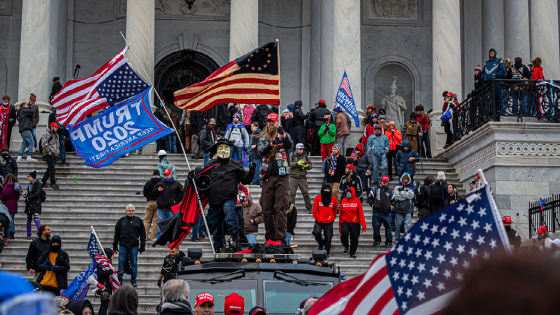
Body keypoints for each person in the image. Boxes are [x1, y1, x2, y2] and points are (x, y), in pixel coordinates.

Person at [204, 138, 254, 251]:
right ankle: (218, 246)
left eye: (226, 148)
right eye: (221, 148)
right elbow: (202, 180)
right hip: (214, 200)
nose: (223, 151)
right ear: (217, 151)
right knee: (215, 224)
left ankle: (236, 235)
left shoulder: (235, 164)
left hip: (229, 197)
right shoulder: (210, 165)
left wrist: (251, 172)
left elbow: (245, 180)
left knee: (229, 212)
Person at [256, 112, 293, 243]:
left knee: (281, 208)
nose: (271, 124)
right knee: (266, 209)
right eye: (269, 122)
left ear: (277, 123)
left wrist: (283, 136)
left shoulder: (284, 135)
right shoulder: (262, 138)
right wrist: (271, 144)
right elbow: (260, 151)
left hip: (282, 176)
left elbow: (290, 145)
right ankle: (270, 237)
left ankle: (280, 238)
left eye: (273, 121)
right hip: (267, 176)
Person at [113, 204, 146, 287]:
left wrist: (142, 245)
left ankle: (133, 280)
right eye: (129, 211)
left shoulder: (138, 220)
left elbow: (143, 233)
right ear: (126, 211)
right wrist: (115, 243)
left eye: (132, 211)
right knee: (121, 262)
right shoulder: (121, 220)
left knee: (134, 263)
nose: (131, 212)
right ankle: (119, 279)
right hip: (123, 245)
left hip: (134, 245)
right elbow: (116, 233)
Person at [154, 169, 183, 239]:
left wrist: (175, 201)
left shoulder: (177, 184)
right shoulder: (160, 183)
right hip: (161, 208)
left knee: (171, 223)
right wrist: (157, 190)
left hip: (171, 209)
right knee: (161, 223)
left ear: (171, 175)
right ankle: (159, 237)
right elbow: (153, 192)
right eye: (165, 175)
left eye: (167, 175)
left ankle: (170, 237)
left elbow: (182, 194)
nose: (166, 177)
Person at [339, 187, 366, 258]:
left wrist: (363, 225)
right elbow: (341, 213)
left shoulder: (357, 201)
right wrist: (340, 225)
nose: (348, 194)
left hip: (355, 222)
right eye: (347, 193)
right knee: (344, 232)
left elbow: (361, 213)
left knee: (354, 238)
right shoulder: (343, 200)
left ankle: (352, 253)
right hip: (345, 221)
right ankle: (346, 246)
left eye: (349, 193)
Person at [312, 184, 338, 257]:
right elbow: (314, 210)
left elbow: (335, 209)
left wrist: (332, 218)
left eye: (328, 189)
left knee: (328, 237)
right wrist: (318, 218)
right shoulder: (317, 198)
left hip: (329, 221)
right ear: (322, 189)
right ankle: (321, 243)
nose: (327, 191)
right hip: (319, 221)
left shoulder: (333, 199)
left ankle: (327, 252)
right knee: (316, 233)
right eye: (325, 189)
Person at [369, 176, 393, 247]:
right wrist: (372, 204)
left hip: (387, 213)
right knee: (376, 227)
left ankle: (388, 241)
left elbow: (394, 200)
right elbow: (370, 198)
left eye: (385, 182)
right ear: (381, 181)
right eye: (383, 181)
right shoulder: (375, 190)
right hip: (376, 212)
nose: (384, 183)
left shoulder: (390, 191)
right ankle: (377, 240)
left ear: (387, 182)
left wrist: (392, 206)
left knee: (388, 227)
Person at [289, 143, 313, 214]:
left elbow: (310, 166)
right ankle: (291, 208)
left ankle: (309, 208)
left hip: (303, 177)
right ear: (296, 149)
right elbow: (288, 164)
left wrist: (306, 165)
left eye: (302, 149)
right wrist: (297, 163)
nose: (301, 151)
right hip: (293, 177)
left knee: (305, 193)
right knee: (292, 193)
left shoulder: (306, 157)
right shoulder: (292, 156)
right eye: (299, 149)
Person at [392, 172, 415, 241]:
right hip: (398, 207)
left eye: (407, 179)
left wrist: (401, 192)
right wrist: (406, 196)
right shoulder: (397, 186)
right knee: (398, 224)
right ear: (402, 178)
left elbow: (411, 196)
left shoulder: (411, 186)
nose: (405, 180)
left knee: (408, 224)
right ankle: (397, 239)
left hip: (408, 207)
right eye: (404, 178)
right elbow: (397, 197)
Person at [39, 122, 60, 189]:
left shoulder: (56, 135)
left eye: (57, 127)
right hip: (49, 154)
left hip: (54, 154)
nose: (56, 129)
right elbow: (44, 143)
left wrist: (57, 153)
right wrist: (48, 152)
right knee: (52, 168)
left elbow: (57, 145)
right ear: (51, 127)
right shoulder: (47, 134)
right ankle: (52, 183)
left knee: (50, 168)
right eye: (55, 127)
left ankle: (42, 182)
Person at [143, 170, 161, 242]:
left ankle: (144, 236)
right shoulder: (161, 183)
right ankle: (153, 237)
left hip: (150, 202)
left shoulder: (148, 183)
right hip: (158, 203)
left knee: (147, 220)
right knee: (156, 221)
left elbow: (144, 192)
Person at [24, 171, 43, 239]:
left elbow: (37, 193)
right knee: (28, 219)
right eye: (28, 177)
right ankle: (28, 234)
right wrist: (26, 195)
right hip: (29, 203)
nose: (28, 178)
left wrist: (29, 197)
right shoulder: (29, 185)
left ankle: (40, 233)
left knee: (36, 218)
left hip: (35, 203)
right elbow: (29, 192)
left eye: (29, 177)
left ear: (33, 177)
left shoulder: (38, 184)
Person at [97, 248, 116, 315]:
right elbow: (101, 274)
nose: (113, 256)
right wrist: (111, 271)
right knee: (104, 306)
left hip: (106, 287)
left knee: (104, 305)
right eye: (112, 255)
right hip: (104, 288)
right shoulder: (102, 264)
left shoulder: (107, 263)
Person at [1, 174, 20, 239]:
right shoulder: (17, 185)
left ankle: (10, 232)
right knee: (12, 218)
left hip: (8, 204)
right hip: (14, 203)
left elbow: (5, 194)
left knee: (9, 219)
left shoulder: (7, 185)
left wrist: (0, 198)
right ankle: (12, 232)